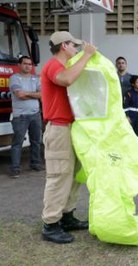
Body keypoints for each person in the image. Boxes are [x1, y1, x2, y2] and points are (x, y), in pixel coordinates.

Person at [40, 31, 97, 244]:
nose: (77, 49)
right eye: (74, 46)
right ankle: (51, 224)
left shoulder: (62, 65)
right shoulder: (54, 66)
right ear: (64, 45)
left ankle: (67, 216)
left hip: (70, 128)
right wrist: (87, 55)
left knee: (73, 174)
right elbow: (67, 80)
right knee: (59, 175)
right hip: (59, 129)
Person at [8, 56, 43, 178]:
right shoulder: (14, 78)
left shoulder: (36, 78)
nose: (28, 66)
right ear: (19, 65)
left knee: (36, 141)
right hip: (20, 116)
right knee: (17, 143)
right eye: (25, 64)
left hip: (35, 114)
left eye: (30, 64)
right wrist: (34, 94)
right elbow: (19, 95)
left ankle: (35, 163)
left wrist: (27, 93)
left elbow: (42, 95)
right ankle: (15, 168)